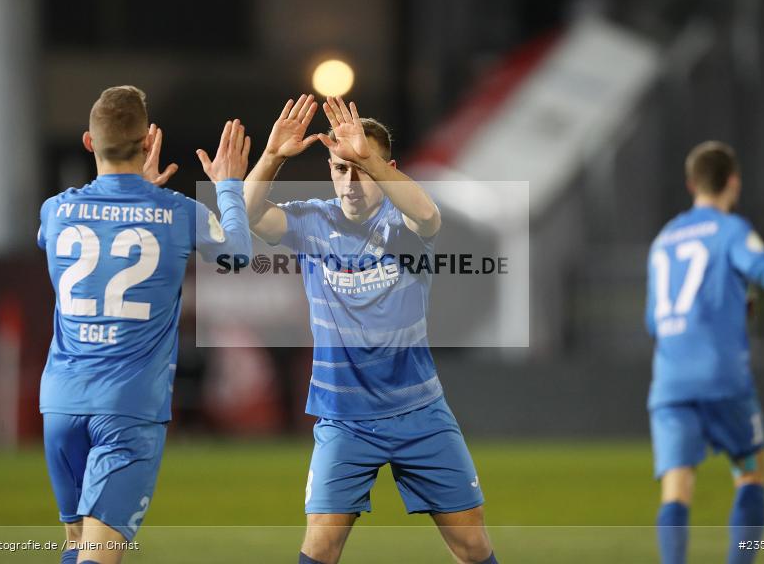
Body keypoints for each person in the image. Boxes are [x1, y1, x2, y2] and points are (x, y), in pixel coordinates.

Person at [244, 94, 497, 564]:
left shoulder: (403, 222)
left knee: (472, 544)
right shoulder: (312, 221)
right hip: (344, 416)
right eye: (341, 168)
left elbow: (428, 215)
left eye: (361, 167)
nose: (350, 180)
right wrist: (273, 156)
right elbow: (251, 215)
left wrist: (370, 160)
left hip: (419, 411)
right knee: (320, 545)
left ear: (387, 166)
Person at [37, 85, 252, 564]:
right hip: (127, 409)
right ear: (147, 141)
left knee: (77, 548)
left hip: (60, 406)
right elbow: (239, 254)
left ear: (89, 143)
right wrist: (229, 186)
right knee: (100, 555)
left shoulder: (55, 211)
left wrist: (135, 195)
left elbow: (100, 230)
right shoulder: (177, 214)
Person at [645, 141, 764, 564]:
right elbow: (763, 270)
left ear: (691, 184)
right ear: (733, 182)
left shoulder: (663, 239)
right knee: (751, 472)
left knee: (677, 488)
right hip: (721, 376)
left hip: (669, 381)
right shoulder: (731, 229)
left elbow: (653, 321)